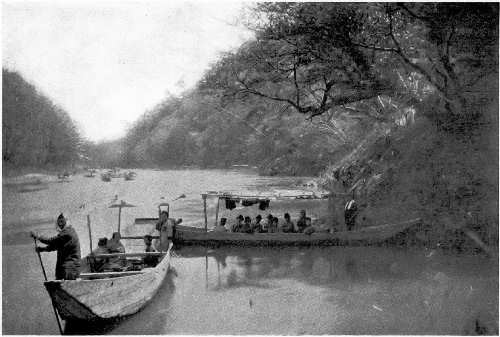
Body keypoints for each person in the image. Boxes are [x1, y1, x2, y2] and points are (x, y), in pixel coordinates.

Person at [30, 213, 81, 280]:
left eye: (62, 222)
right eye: (59, 222)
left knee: (63, 285)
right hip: (68, 268)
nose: (60, 225)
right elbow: (56, 246)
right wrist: (43, 249)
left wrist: (38, 236)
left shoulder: (68, 232)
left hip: (70, 269)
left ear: (67, 222)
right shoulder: (68, 232)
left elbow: (51, 241)